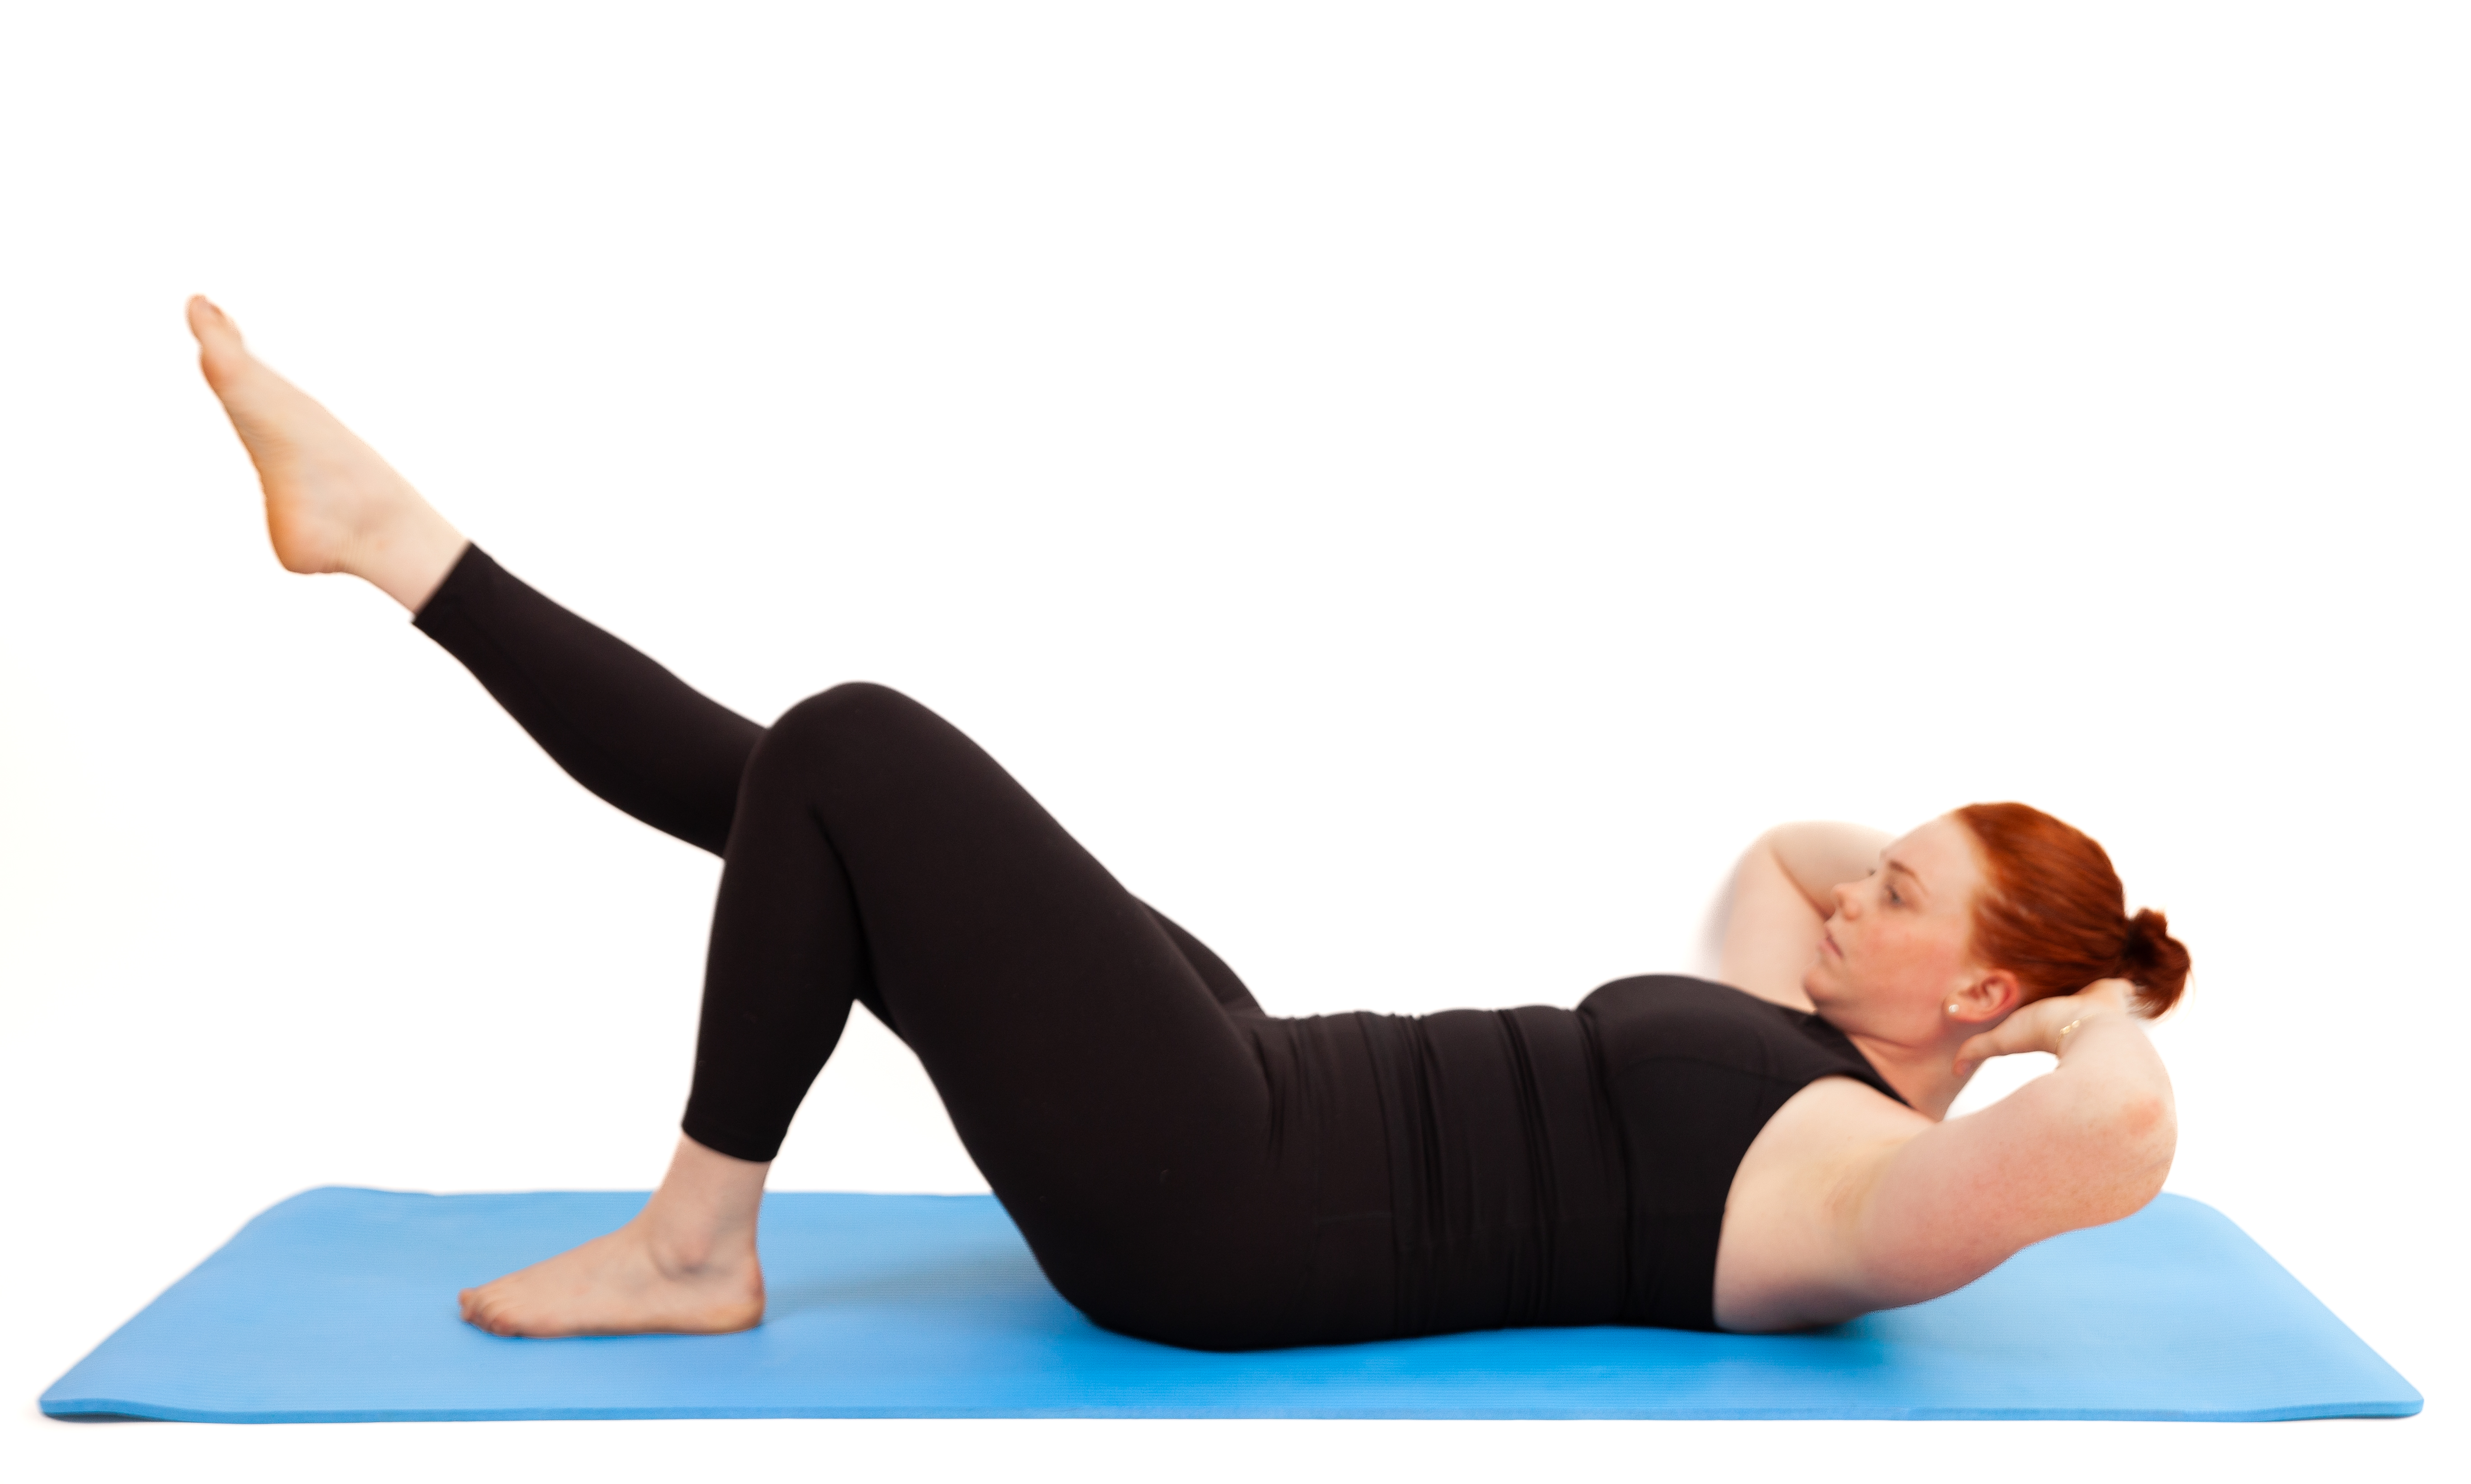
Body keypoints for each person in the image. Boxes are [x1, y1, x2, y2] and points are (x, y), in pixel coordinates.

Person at [183, 296, 2188, 1350]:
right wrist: (1940, 940)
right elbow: (1778, 848)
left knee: (859, 742)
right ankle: (400, 547)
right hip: (1257, 1083)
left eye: (1901, 897)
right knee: (811, 797)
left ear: (1990, 984)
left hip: (1227, 1209)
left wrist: (2057, 1024)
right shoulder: (1815, 1032)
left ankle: (697, 1237)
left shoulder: (1859, 1204)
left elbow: (2111, 1129)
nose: (1853, 893)